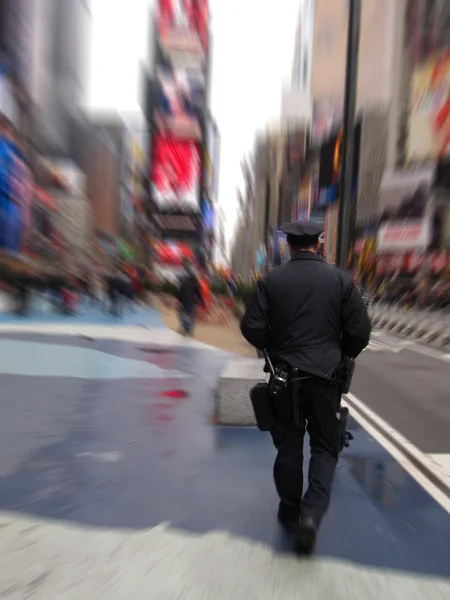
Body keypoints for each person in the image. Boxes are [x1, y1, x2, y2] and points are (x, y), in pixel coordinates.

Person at [240, 220, 371, 555]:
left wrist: (277, 345)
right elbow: (360, 332)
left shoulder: (271, 280)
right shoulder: (341, 280)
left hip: (286, 378)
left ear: (289, 246)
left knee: (288, 444)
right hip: (327, 378)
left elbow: (251, 327)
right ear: (319, 244)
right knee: (326, 449)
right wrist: (341, 353)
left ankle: (289, 508)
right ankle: (311, 517)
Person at [176, 263, 203, 336]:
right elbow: (198, 292)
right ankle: (189, 330)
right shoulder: (195, 281)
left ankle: (186, 328)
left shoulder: (184, 280)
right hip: (191, 301)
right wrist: (201, 301)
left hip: (184, 300)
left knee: (181, 314)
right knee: (191, 316)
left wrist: (178, 299)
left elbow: (180, 290)